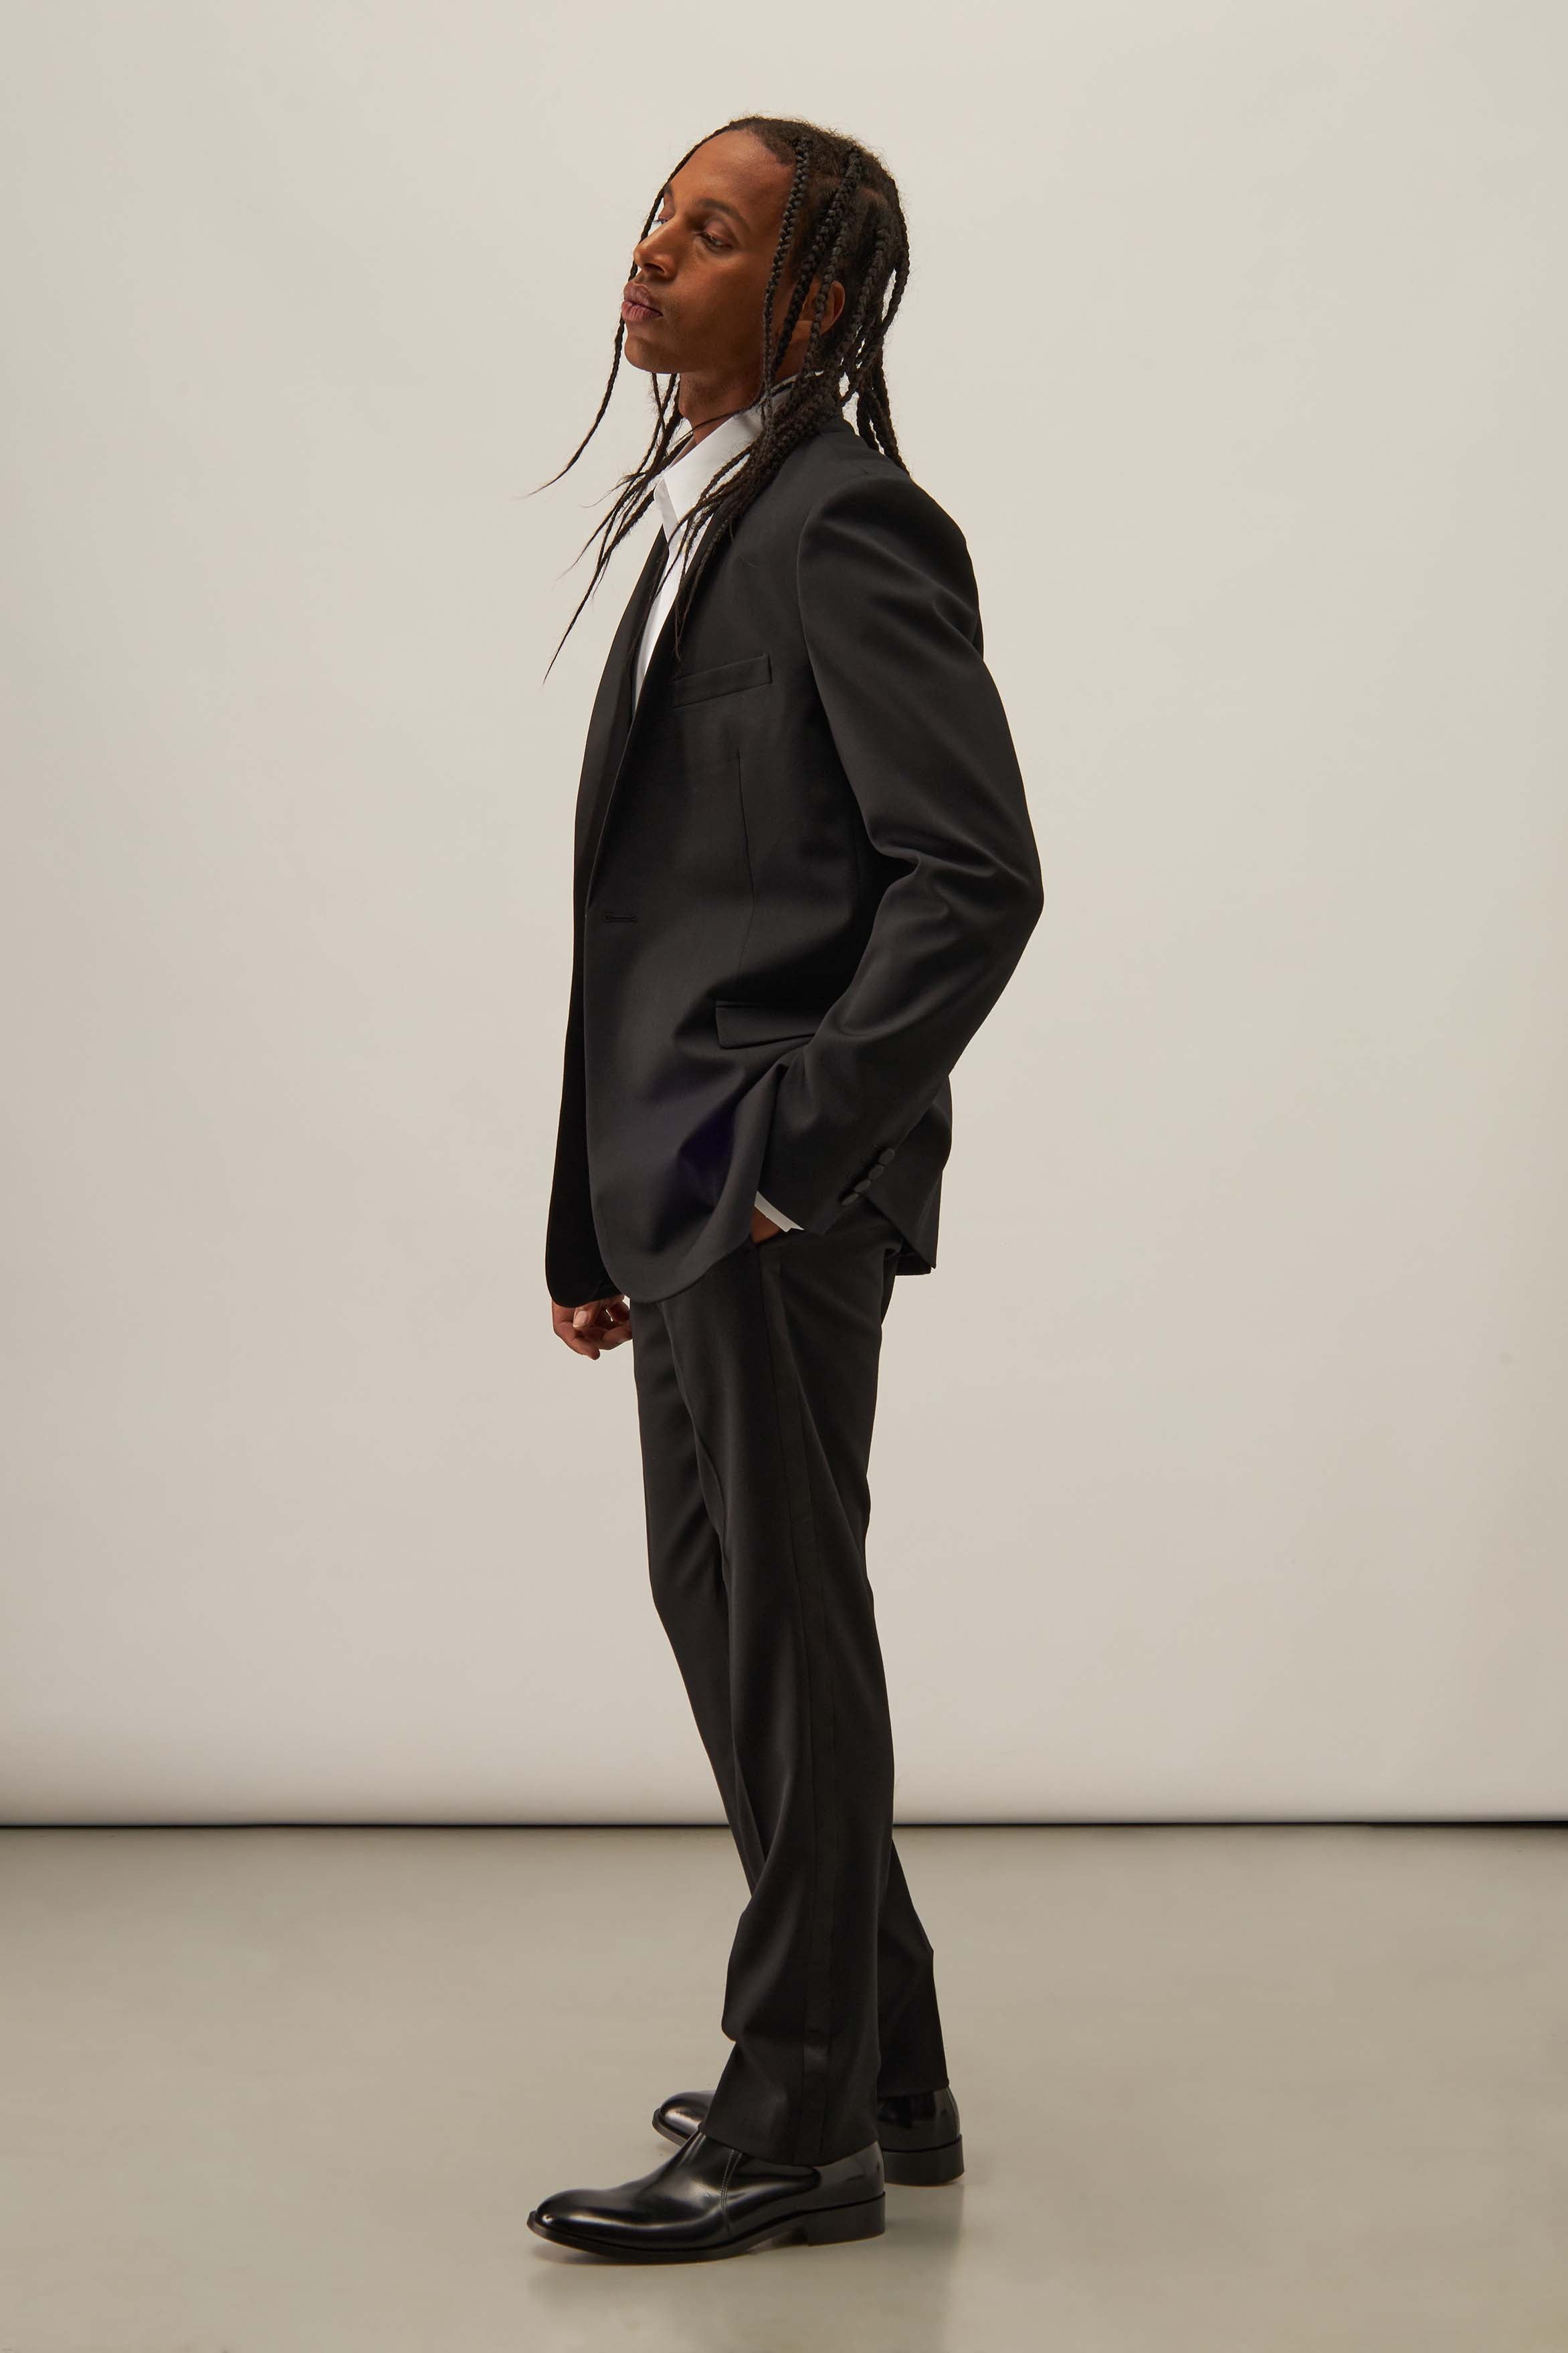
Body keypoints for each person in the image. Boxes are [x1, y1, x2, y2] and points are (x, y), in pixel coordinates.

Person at [528, 114, 1043, 2262]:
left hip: (769, 1188)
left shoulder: (846, 523)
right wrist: (600, 1211)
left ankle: (795, 2116)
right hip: (680, 1185)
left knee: (784, 1619)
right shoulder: (710, 518)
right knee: (732, 1610)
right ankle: (887, 2063)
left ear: (815, 297)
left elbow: (975, 876)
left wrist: (784, 1162)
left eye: (716, 232)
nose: (656, 252)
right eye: (660, 215)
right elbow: (656, 914)